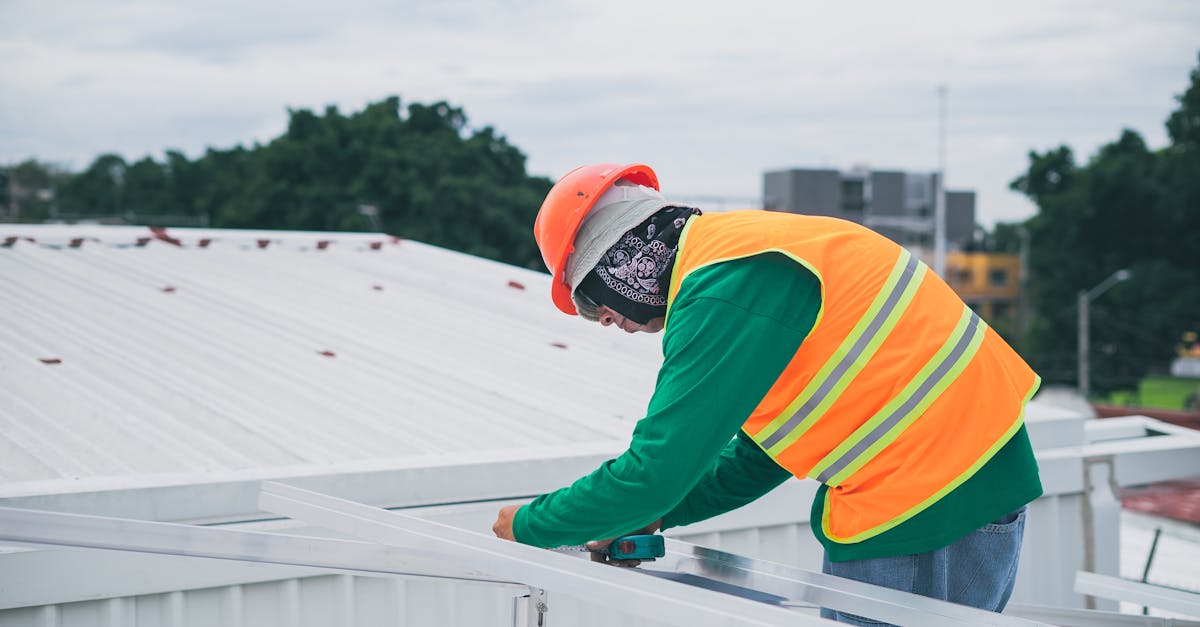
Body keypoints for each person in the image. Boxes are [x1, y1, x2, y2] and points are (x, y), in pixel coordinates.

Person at [492, 163, 1042, 625]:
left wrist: (527, 526)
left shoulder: (721, 286)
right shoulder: (747, 251)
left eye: (591, 302)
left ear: (619, 259)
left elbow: (653, 472)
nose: (606, 320)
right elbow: (759, 458)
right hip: (982, 480)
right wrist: (657, 515)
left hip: (916, 502)